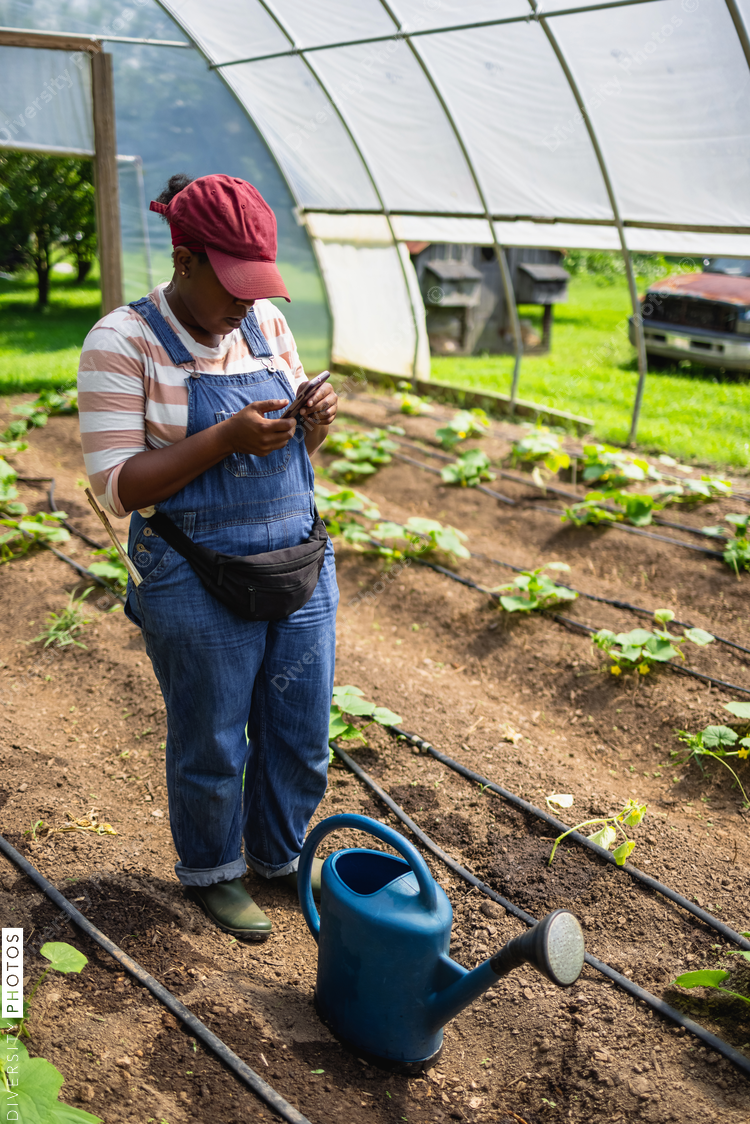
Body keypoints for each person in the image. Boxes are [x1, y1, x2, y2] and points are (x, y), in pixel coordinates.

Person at [77, 173, 339, 940]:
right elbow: (118, 487)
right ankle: (214, 872)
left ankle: (279, 853)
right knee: (215, 737)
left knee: (300, 727)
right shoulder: (121, 342)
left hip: (293, 556)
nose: (247, 306)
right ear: (184, 260)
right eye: (232, 286)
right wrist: (223, 437)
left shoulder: (265, 330)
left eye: (259, 288)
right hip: (193, 567)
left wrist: (311, 421)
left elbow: (298, 451)